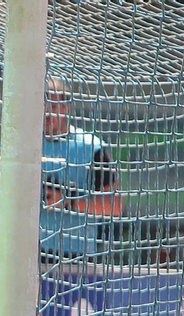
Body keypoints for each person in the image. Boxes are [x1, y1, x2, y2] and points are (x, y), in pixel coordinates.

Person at [40, 76, 124, 260]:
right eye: (42, 106)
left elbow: (115, 206)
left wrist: (68, 202)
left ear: (66, 109)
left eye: (53, 107)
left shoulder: (91, 148)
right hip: (31, 255)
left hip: (78, 257)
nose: (46, 112)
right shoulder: (26, 147)